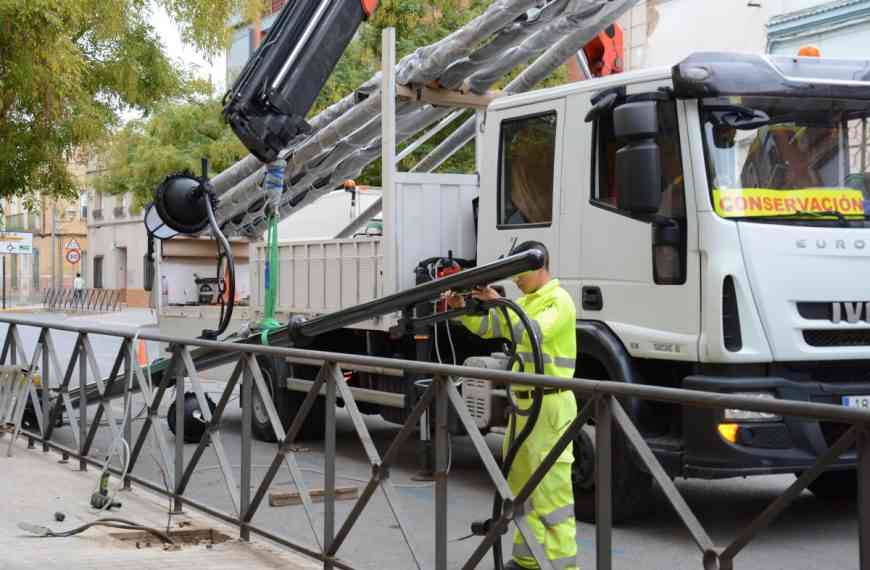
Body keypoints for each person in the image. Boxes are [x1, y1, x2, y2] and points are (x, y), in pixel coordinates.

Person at [445, 241, 578, 570]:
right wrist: (463, 305)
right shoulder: (529, 301)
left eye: (521, 274)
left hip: (549, 409)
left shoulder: (558, 301)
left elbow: (529, 332)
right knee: (520, 491)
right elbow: (493, 327)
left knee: (551, 495)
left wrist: (501, 302)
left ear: (540, 266)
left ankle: (562, 566)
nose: (516, 280)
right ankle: (528, 559)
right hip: (524, 408)